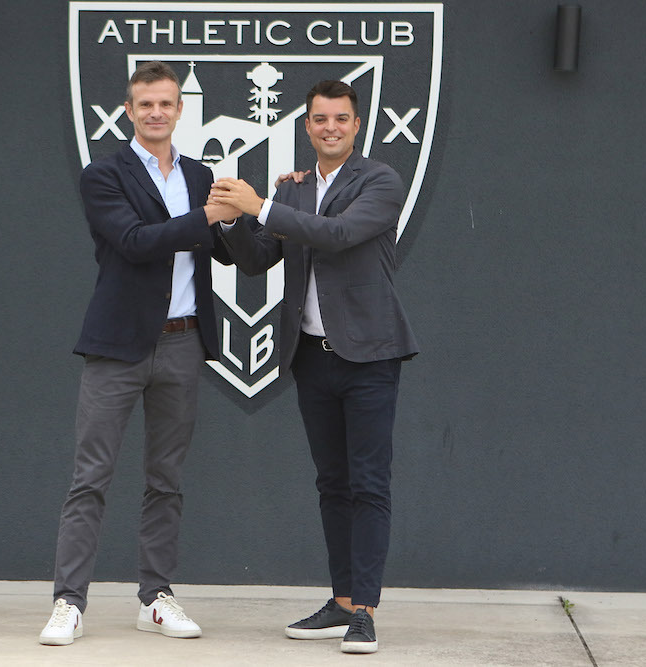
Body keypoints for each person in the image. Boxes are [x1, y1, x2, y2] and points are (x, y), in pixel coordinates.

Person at [209, 80, 418, 655]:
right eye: (320, 119)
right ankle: (343, 599)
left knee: (369, 484)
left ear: (357, 125)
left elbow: (342, 234)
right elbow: (256, 260)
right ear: (307, 126)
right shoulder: (294, 190)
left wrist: (262, 205)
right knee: (333, 483)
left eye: (341, 119)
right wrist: (231, 219)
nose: (330, 127)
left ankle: (365, 613)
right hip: (310, 356)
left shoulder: (378, 181)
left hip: (371, 356)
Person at [39, 61, 240, 646]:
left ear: (180, 110)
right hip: (119, 346)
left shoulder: (201, 175)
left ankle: (155, 596)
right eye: (145, 104)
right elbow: (132, 243)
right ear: (129, 111)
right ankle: (68, 602)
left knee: (166, 479)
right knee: (91, 477)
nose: (156, 112)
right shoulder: (104, 174)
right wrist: (205, 216)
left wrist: (271, 205)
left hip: (183, 342)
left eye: (167, 104)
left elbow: (235, 252)